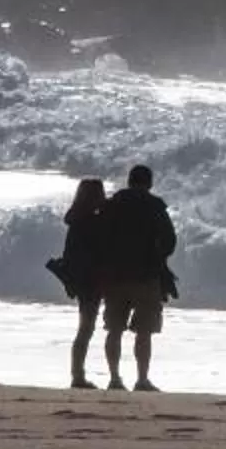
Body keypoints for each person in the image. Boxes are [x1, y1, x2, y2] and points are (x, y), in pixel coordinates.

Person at [98, 162, 179, 392]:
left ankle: (114, 379)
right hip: (147, 277)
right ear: (149, 183)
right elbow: (170, 242)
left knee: (114, 329)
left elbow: (100, 238)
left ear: (130, 181)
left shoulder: (112, 205)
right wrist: (157, 257)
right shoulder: (155, 206)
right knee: (144, 332)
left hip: (115, 277)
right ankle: (142, 379)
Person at [47, 176, 107, 389]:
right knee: (86, 328)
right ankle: (77, 376)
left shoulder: (76, 220)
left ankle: (77, 374)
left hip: (81, 280)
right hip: (91, 280)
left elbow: (70, 254)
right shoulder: (93, 222)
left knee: (85, 327)